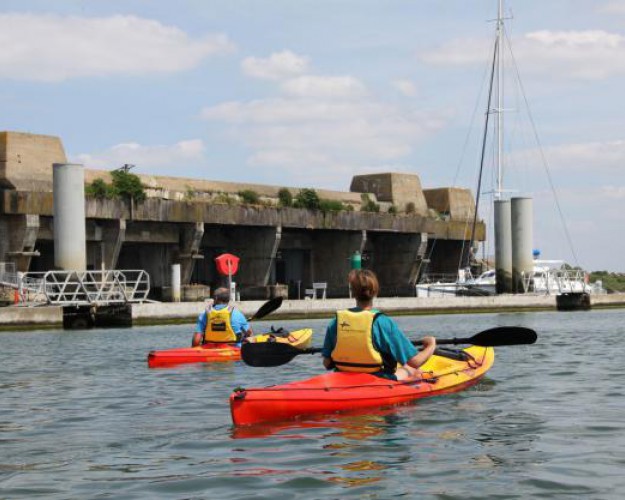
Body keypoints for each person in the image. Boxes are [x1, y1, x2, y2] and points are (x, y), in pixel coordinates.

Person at [322, 269, 436, 381]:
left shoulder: (336, 321)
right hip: (378, 379)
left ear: (352, 292)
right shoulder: (382, 322)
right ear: (375, 291)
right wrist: (431, 345)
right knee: (409, 368)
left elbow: (327, 363)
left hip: (342, 378)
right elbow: (415, 362)